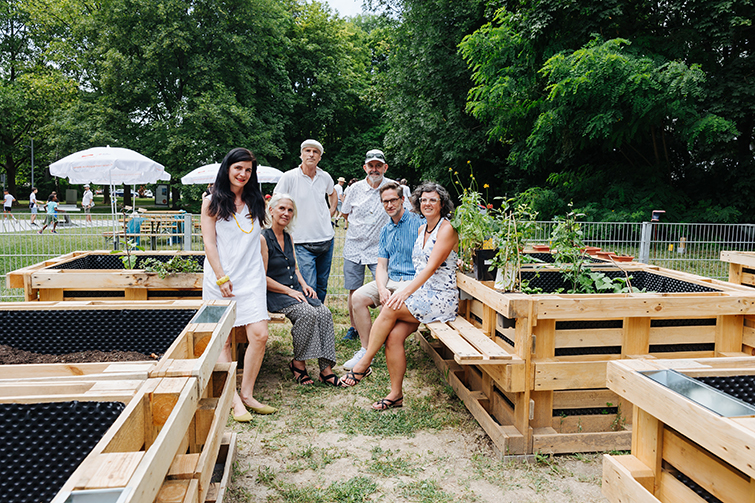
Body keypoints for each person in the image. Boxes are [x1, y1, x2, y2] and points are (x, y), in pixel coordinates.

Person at [339, 182, 459, 411]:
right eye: (423, 200)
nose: (427, 204)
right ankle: (396, 395)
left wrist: (404, 292)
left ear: (442, 203)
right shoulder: (423, 229)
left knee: (390, 307)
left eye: (433, 200)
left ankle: (363, 363)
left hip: (440, 299)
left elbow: (430, 268)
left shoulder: (447, 229)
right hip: (423, 295)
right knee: (393, 337)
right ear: (418, 203)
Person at [201, 147, 275, 422]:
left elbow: (258, 242)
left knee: (259, 334)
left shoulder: (257, 201)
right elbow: (209, 242)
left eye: (248, 169)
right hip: (221, 278)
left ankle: (247, 393)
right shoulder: (211, 201)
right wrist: (221, 277)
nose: (243, 174)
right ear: (227, 169)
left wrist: (260, 275)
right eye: (238, 168)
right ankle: (233, 399)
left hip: (250, 278)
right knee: (224, 340)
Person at [260, 193, 341, 386]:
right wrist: (289, 291)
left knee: (324, 312)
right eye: (282, 208)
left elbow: (295, 268)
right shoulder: (263, 238)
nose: (286, 213)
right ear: (271, 210)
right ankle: (299, 364)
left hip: (295, 290)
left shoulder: (288, 236)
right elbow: (261, 278)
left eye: (290, 210)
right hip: (275, 294)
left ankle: (326, 368)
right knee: (306, 314)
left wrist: (304, 285)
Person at [343, 181, 423, 370]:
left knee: (391, 305)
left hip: (412, 281)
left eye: (393, 200)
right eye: (385, 201)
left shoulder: (418, 222)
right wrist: (381, 288)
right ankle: (365, 348)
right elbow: (381, 265)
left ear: (403, 200)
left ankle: (369, 354)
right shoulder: (386, 230)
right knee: (358, 297)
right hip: (392, 279)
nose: (389, 205)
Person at [273, 139, 337, 303]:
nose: (311, 154)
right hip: (302, 241)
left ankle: (319, 318)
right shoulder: (289, 177)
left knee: (322, 286)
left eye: (315, 152)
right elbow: (276, 200)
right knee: (309, 286)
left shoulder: (325, 177)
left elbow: (333, 193)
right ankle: (311, 322)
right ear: (301, 154)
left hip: (326, 239)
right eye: (307, 151)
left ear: (320, 157)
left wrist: (330, 212)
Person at [340, 149, 392, 343]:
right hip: (354, 246)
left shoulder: (391, 187)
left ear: (385, 167)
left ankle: (383, 329)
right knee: (353, 289)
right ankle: (354, 328)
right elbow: (345, 213)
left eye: (378, 165)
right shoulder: (354, 188)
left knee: (384, 289)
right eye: (371, 165)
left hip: (380, 248)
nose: (374, 169)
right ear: (365, 167)